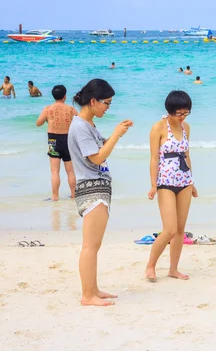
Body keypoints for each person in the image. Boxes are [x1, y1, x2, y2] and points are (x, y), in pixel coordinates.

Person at [68, 78, 133, 307]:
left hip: (98, 186)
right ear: (93, 101)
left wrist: (115, 136)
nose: (108, 108)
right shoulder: (80, 126)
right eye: (106, 103)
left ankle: (93, 289)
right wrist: (115, 134)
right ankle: (87, 295)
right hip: (92, 188)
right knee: (90, 246)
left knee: (94, 245)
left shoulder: (88, 125)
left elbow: (98, 150)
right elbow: (97, 157)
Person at [146, 90, 198, 282]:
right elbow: (153, 159)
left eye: (186, 113)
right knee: (169, 229)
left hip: (184, 181)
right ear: (170, 110)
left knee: (180, 229)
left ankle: (173, 269)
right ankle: (150, 265)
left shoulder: (186, 128)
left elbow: (187, 155)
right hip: (166, 182)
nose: (183, 117)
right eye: (180, 113)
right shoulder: (158, 128)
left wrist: (192, 182)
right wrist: (153, 184)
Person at [36, 85, 79, 201]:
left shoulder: (48, 109)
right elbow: (80, 121)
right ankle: (74, 195)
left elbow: (38, 123)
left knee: (55, 171)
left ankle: (55, 196)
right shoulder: (70, 109)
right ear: (65, 96)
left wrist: (47, 119)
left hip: (53, 140)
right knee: (70, 171)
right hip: (68, 140)